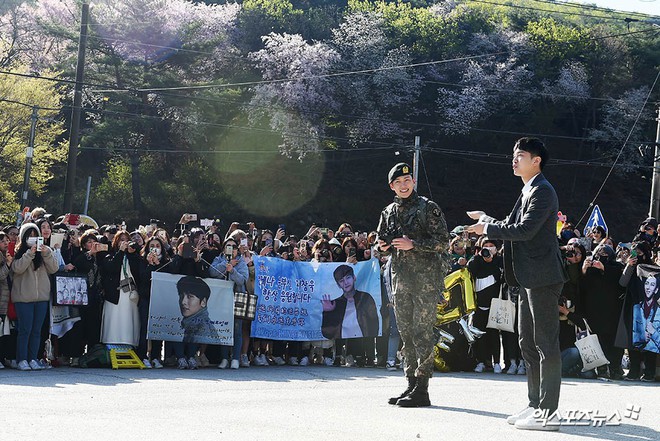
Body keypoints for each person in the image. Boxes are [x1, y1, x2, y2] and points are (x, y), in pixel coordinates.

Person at [467, 137, 568, 431]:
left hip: (544, 277)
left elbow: (524, 230)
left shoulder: (543, 191)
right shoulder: (527, 190)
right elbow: (512, 225)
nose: (514, 160)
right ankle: (535, 403)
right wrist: (486, 218)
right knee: (527, 341)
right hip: (528, 277)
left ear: (536, 160)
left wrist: (485, 227)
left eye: (520, 155)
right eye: (514, 155)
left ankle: (549, 412)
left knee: (546, 344)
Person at [376, 162, 450, 408]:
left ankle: (423, 388)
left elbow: (442, 242)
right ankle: (410, 383)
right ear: (391, 186)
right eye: (398, 182)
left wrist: (413, 244)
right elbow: (379, 241)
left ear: (413, 182)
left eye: (407, 181)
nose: (403, 185)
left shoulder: (428, 208)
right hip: (400, 279)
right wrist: (382, 247)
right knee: (405, 334)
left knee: (423, 333)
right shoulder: (388, 212)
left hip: (425, 282)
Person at [10, 222, 59, 370]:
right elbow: (17, 268)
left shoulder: (45, 252)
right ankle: (21, 359)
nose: (32, 238)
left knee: (37, 331)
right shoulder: (18, 253)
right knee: (25, 330)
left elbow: (54, 268)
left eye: (34, 236)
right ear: (23, 237)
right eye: (29, 236)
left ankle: (33, 358)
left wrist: (46, 253)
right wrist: (29, 253)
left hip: (42, 298)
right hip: (23, 298)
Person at [321, 265, 378, 340]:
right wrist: (328, 312)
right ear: (338, 285)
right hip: (345, 344)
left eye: (348, 278)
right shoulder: (336, 303)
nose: (346, 282)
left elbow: (374, 323)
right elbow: (327, 333)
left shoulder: (365, 297)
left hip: (365, 342)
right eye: (341, 281)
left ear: (354, 278)